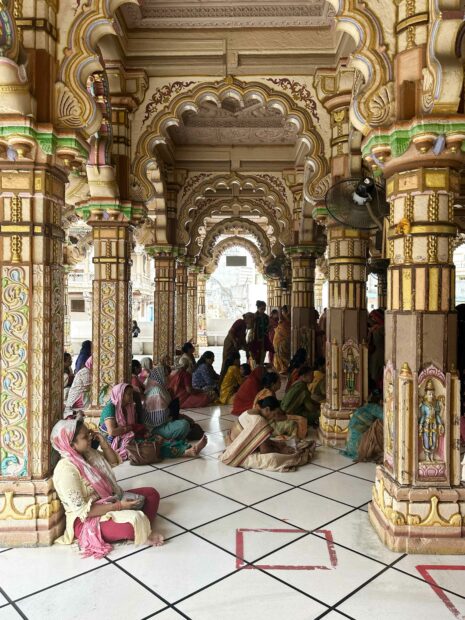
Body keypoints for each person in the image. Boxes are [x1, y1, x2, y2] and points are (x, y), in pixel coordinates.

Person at [51, 417, 164, 558]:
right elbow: (84, 511)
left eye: (89, 434)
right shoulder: (66, 470)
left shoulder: (88, 454)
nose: (90, 438)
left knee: (151, 494)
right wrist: (119, 506)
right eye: (85, 437)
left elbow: (113, 461)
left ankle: (139, 527)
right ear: (71, 445)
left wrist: (104, 443)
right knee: (133, 521)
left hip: (109, 500)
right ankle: (137, 530)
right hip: (87, 521)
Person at [220, 396, 315, 471]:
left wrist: (278, 445)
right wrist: (281, 451)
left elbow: (262, 441)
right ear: (267, 409)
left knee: (280, 442)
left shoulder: (251, 411)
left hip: (231, 441)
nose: (274, 418)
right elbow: (265, 451)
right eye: (274, 414)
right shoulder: (260, 421)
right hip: (236, 449)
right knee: (274, 458)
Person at [144, 365, 208, 457]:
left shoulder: (162, 388)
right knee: (184, 425)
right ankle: (187, 448)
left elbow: (168, 410)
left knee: (188, 424)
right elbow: (158, 419)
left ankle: (187, 446)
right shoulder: (157, 391)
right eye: (166, 375)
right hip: (155, 428)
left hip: (164, 424)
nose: (168, 378)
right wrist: (173, 417)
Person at [99, 383, 147, 460]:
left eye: (132, 394)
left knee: (143, 440)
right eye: (129, 394)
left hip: (123, 433)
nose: (132, 396)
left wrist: (132, 429)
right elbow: (112, 432)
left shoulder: (129, 407)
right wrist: (130, 428)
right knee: (133, 445)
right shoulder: (110, 407)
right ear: (120, 394)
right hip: (109, 437)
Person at [341, 391, 384, 462]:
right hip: (361, 448)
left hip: (351, 449)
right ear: (381, 401)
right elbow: (389, 419)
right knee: (380, 423)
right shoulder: (375, 408)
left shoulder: (365, 408)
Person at [249, 301, 271, 365]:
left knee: (262, 356)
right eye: (262, 309)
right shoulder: (253, 316)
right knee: (254, 355)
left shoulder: (266, 317)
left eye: (264, 309)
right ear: (258, 308)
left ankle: (260, 370)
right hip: (254, 339)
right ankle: (254, 371)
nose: (263, 311)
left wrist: (268, 328)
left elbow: (268, 327)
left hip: (263, 340)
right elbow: (249, 327)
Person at [368, 309, 385, 391]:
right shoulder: (379, 328)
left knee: (377, 374)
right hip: (379, 354)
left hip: (378, 354)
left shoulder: (379, 329)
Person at [273, 305, 291, 374]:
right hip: (281, 339)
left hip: (282, 339)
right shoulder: (287, 317)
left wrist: (279, 308)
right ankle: (284, 368)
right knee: (281, 354)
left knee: (282, 354)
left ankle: (283, 368)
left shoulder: (285, 317)